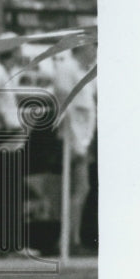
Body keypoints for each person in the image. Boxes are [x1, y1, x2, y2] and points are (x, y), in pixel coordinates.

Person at [52, 47, 97, 253]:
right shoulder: (66, 68)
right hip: (72, 140)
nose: (95, 51)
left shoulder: (85, 71)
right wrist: (75, 142)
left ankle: (71, 238)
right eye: (93, 47)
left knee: (81, 189)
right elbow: (65, 105)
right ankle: (69, 241)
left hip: (83, 139)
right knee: (76, 188)